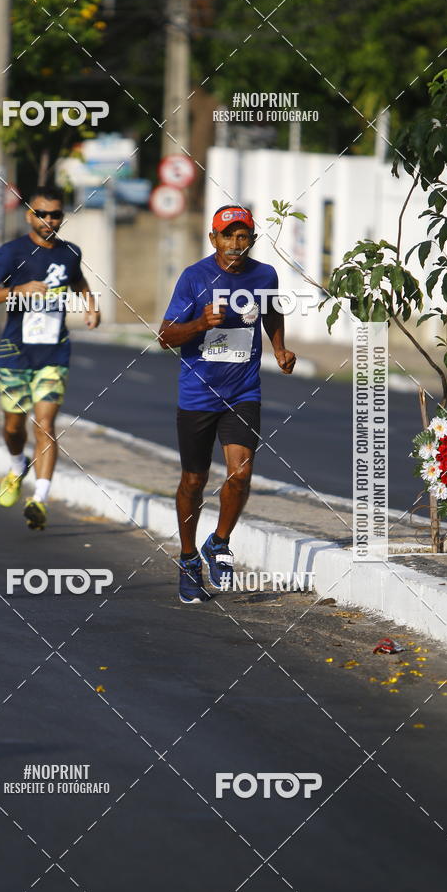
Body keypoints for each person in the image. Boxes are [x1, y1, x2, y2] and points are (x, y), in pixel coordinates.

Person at [158, 204, 296, 603]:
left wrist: (280, 348)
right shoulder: (194, 277)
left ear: (252, 239)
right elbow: (166, 336)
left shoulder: (264, 274)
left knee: (241, 473)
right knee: (194, 481)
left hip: (243, 392)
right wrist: (199, 325)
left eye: (243, 236)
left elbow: (271, 311)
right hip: (198, 395)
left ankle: (218, 542)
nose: (236, 244)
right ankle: (187, 559)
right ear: (213, 239)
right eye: (228, 236)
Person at [0, 184, 100, 530]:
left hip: (54, 353)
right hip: (15, 353)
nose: (49, 220)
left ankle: (40, 499)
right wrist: (18, 290)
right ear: (30, 214)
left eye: (55, 214)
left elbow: (80, 283)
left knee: (45, 424)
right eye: (42, 213)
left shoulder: (70, 252)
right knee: (13, 426)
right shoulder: (11, 252)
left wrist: (91, 307)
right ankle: (18, 465)